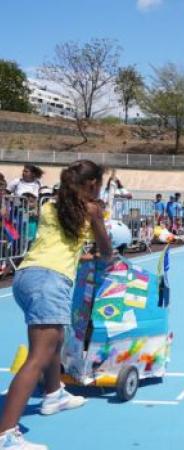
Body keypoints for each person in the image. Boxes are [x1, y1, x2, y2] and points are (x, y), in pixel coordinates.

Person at [0, 160, 112, 450]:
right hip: (50, 281)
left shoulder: (52, 207)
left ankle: (53, 394)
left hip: (27, 276)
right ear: (91, 185)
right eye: (98, 184)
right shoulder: (89, 212)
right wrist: (98, 218)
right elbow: (107, 251)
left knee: (55, 340)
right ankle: (6, 435)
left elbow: (61, 245)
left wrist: (83, 257)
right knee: (38, 356)